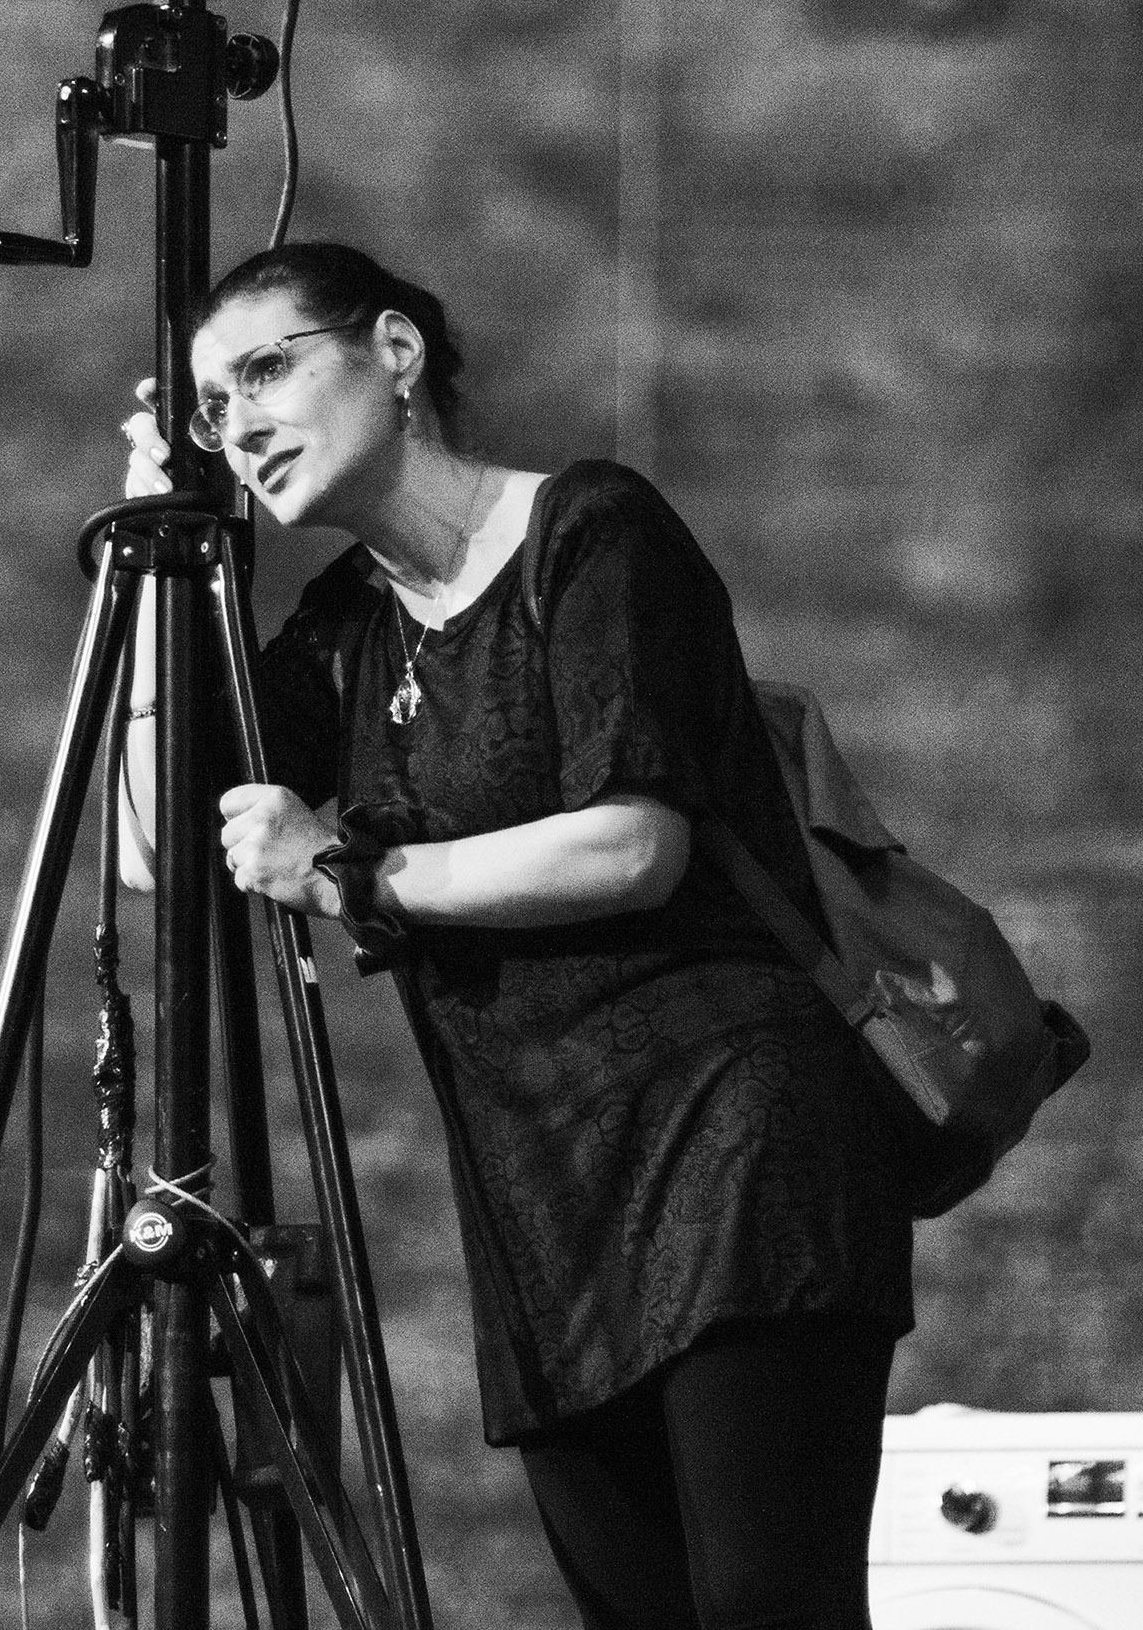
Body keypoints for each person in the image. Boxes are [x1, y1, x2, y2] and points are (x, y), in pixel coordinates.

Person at [120, 240, 915, 1630]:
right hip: (543, 1194)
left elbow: (631, 844)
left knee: (764, 1605)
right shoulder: (347, 625)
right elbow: (152, 850)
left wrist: (352, 879)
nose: (236, 423)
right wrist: (149, 567)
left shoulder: (588, 530)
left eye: (267, 370)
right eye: (210, 403)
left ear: (396, 353)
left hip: (733, 1143)